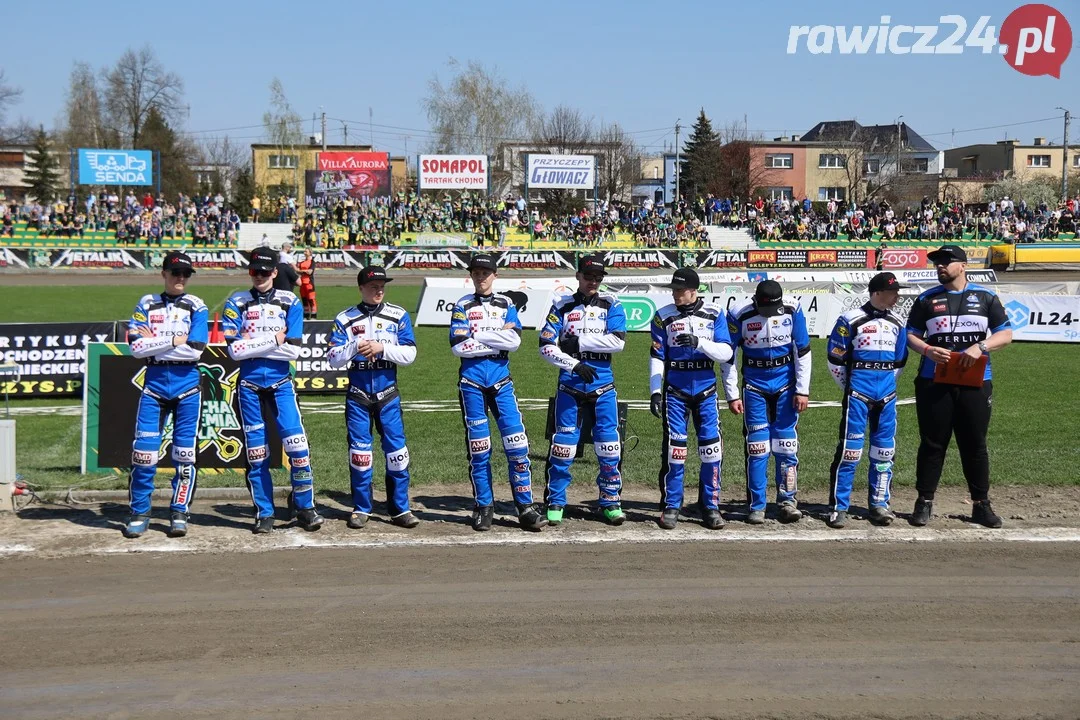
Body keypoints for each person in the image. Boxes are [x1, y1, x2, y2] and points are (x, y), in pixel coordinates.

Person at [905, 245, 1013, 528]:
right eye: (937, 262)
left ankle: (981, 505)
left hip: (976, 382)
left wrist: (981, 346)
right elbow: (910, 336)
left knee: (975, 444)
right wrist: (927, 350)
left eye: (946, 261)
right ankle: (924, 502)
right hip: (933, 381)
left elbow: (1006, 334)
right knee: (932, 443)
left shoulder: (986, 296)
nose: (940, 266)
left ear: (963, 265)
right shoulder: (926, 299)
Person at [223, 246, 323, 534]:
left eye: (265, 271)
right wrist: (274, 339)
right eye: (255, 271)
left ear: (275, 272)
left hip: (281, 384)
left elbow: (292, 349)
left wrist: (254, 345)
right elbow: (234, 351)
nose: (259, 276)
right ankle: (264, 513)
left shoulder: (289, 300)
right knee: (256, 454)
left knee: (298, 450)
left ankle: (305, 507)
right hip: (249, 388)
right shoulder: (237, 301)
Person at [449, 254, 547, 532]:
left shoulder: (506, 303)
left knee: (518, 446)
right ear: (471, 276)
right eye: (476, 272)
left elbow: (514, 342)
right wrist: (495, 338)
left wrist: (477, 335)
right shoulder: (462, 305)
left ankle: (525, 507)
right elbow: (458, 346)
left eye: (486, 272)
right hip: (471, 384)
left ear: (495, 276)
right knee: (479, 450)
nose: (481, 277)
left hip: (502, 383)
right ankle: (484, 506)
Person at [326, 266, 420, 529]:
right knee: (360, 454)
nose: (378, 290)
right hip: (357, 394)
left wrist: (382, 349)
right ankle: (361, 507)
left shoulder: (398, 314)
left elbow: (410, 354)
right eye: (372, 286)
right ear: (360, 288)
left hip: (388, 393)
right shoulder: (345, 318)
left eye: (382, 285)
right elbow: (332, 359)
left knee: (397, 453)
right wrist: (355, 346)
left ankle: (400, 509)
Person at [123, 252, 208, 538]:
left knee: (184, 456)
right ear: (163, 274)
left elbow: (195, 349)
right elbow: (135, 348)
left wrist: (154, 341)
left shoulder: (197, 305)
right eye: (175, 273)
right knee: (143, 455)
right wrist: (173, 340)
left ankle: (179, 511)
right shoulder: (146, 303)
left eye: (185, 274)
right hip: (154, 386)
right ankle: (139, 511)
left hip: (188, 387)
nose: (180, 278)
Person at [539, 255, 627, 526]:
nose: (593, 282)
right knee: (563, 446)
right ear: (578, 276)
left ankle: (610, 501)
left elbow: (617, 342)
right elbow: (546, 345)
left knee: (609, 446)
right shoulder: (561, 305)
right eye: (589, 277)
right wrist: (574, 364)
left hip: (603, 385)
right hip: (570, 384)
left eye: (599, 278)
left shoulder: (612, 304)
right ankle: (555, 501)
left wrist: (578, 341)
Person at [649, 267, 734, 530]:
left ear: (694, 291)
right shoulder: (662, 316)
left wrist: (699, 342)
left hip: (706, 390)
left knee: (711, 450)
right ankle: (672, 505)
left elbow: (726, 351)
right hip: (675, 390)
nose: (675, 295)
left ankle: (710, 505)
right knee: (676, 450)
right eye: (673, 290)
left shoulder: (715, 314)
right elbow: (657, 355)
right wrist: (655, 390)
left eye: (680, 290)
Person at [825, 272, 911, 529]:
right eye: (893, 292)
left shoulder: (898, 322)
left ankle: (879, 503)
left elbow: (900, 361)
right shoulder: (850, 319)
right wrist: (851, 388)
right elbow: (835, 359)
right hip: (857, 396)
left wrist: (886, 386)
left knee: (884, 452)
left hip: (887, 396)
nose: (897, 296)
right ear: (877, 292)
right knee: (850, 452)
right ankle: (839, 506)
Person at [721, 280, 811, 524]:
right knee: (757, 448)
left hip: (786, 386)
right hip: (754, 386)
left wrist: (802, 390)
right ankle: (757, 504)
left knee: (786, 445)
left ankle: (787, 500)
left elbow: (802, 350)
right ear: (755, 301)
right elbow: (728, 356)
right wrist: (732, 394)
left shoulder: (793, 309)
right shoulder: (739, 313)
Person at [297, 247, 317, 319]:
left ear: (310, 253)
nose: (304, 252)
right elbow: (297, 270)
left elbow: (310, 272)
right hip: (302, 283)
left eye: (306, 251)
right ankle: (306, 316)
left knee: (311, 300)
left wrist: (301, 271)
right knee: (304, 300)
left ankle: (314, 317)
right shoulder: (301, 262)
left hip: (309, 283)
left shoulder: (312, 262)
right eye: (304, 251)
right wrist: (304, 271)